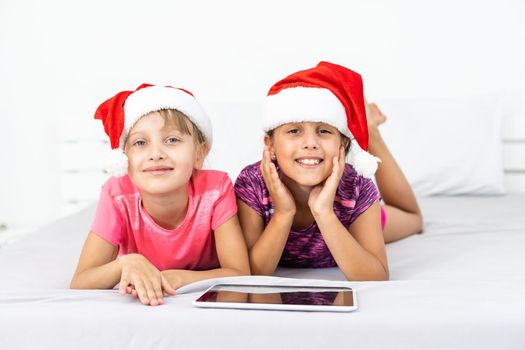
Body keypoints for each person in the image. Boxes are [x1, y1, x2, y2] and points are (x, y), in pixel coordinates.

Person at [234, 62, 422, 281]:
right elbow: (251, 273)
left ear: (342, 145)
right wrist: (284, 213)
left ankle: (371, 133)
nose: (310, 143)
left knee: (414, 220)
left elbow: (376, 277)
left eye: (324, 131)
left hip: (353, 224)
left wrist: (325, 213)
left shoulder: (357, 187)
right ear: (270, 146)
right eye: (294, 131)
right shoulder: (253, 183)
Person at [70, 84, 250, 306]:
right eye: (140, 143)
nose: (156, 154)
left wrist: (178, 277)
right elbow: (81, 280)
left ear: (199, 154)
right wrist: (125, 264)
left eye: (172, 140)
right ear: (124, 159)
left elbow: (239, 272)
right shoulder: (117, 195)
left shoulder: (216, 190)